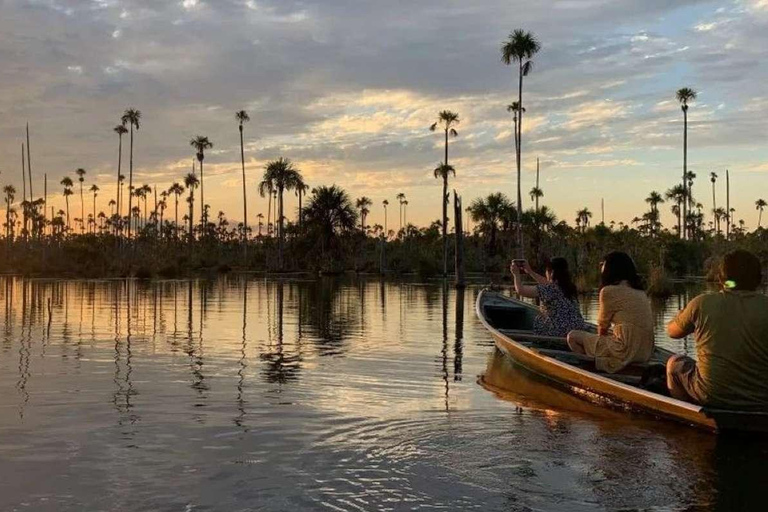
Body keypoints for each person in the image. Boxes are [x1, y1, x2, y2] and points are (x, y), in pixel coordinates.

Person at [666, 250, 768, 409]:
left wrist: (680, 316)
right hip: (761, 399)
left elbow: (672, 332)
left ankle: (688, 414)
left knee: (674, 364)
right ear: (759, 280)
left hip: (711, 395)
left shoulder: (701, 303)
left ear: (720, 279)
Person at [566, 252, 654, 373]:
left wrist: (597, 345)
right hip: (645, 352)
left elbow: (602, 328)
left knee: (573, 337)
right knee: (606, 339)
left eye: (603, 265)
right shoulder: (640, 292)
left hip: (624, 350)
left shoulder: (609, 291)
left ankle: (591, 371)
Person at [510, 257, 586, 337]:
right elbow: (547, 283)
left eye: (546, 271)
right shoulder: (570, 287)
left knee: (541, 321)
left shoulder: (549, 289)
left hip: (558, 333)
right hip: (577, 332)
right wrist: (530, 272)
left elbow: (521, 290)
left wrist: (516, 274)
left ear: (551, 272)